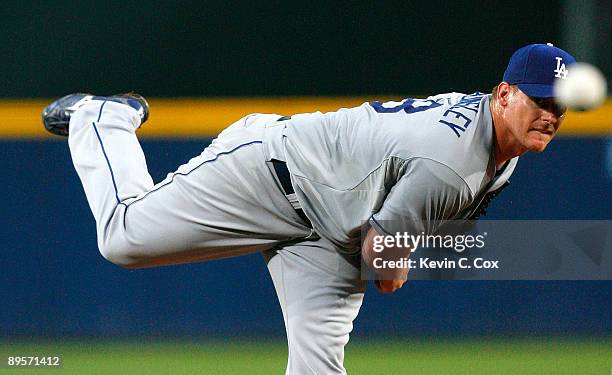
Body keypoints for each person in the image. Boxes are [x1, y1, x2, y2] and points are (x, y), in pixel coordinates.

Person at [42, 43, 575, 374]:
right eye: (538, 99)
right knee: (123, 238)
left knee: (318, 368)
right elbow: (381, 253)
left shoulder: (498, 146)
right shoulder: (452, 163)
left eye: (559, 104)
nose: (549, 114)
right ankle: (105, 119)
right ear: (504, 94)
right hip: (271, 174)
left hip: (329, 231)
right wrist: (395, 268)